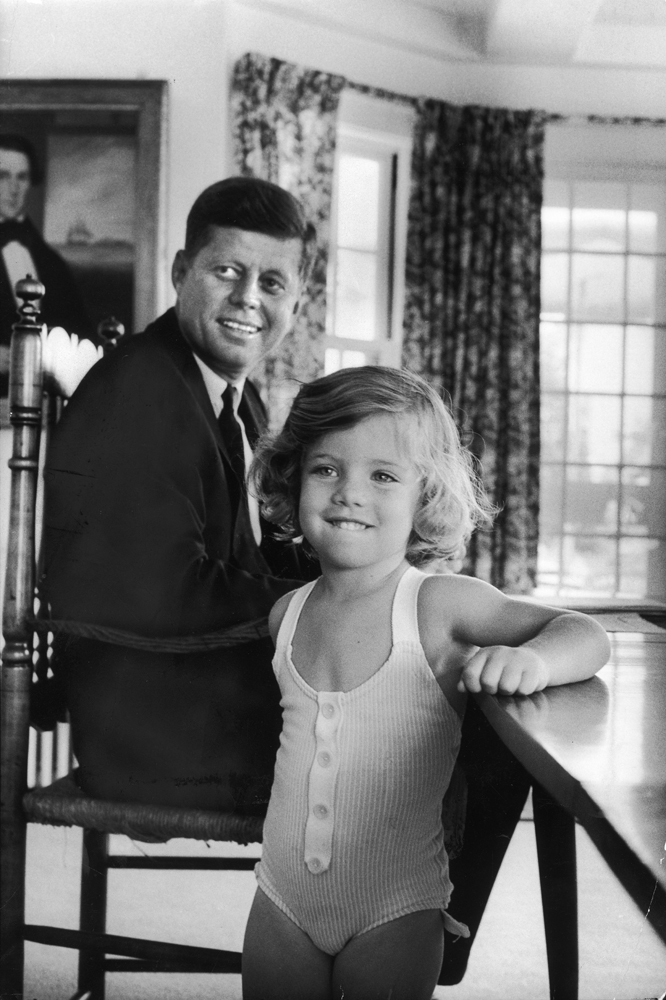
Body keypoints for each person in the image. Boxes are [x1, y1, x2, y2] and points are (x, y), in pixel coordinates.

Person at [242, 365, 611, 1000]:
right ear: (294, 478)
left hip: (396, 910)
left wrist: (537, 663)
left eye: (383, 476)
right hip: (281, 902)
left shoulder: (437, 606)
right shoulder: (288, 614)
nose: (349, 493)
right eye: (326, 469)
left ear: (426, 497)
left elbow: (584, 631)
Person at [42, 176, 320, 813]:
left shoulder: (231, 394)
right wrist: (332, 603)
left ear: (296, 303)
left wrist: (379, 583)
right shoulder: (138, 393)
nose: (249, 299)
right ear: (180, 271)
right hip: (155, 732)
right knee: (438, 735)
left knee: (441, 700)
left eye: (273, 282)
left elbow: (253, 550)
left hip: (202, 692)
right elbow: (165, 591)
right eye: (227, 270)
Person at [0, 133, 92, 391]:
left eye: (22, 177)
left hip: (42, 401)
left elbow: (81, 336)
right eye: (3, 176)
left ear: (31, 182)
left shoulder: (51, 264)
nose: (13, 188)